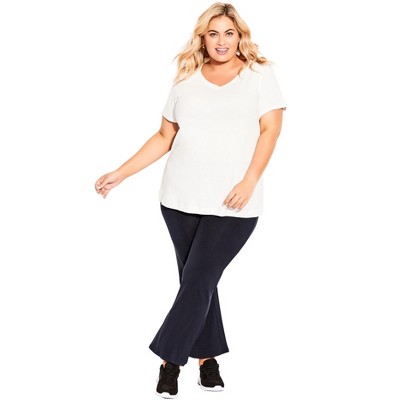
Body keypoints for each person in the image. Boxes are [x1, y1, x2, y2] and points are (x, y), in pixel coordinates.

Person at [95, 2, 287, 398]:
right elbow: (165, 137)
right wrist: (120, 172)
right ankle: (208, 361)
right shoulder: (185, 79)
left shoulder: (259, 75)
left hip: (234, 204)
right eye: (213, 33)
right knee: (199, 283)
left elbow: (270, 131)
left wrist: (250, 180)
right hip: (179, 200)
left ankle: (170, 361)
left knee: (197, 280)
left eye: (229, 33)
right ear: (203, 38)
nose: (221, 41)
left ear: (240, 37)